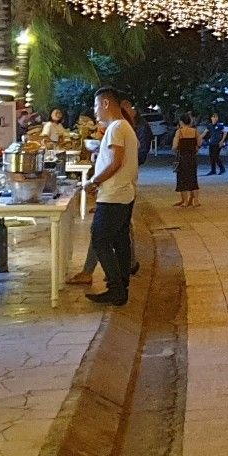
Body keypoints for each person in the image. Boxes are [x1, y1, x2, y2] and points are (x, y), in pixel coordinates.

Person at [82, 87, 140, 306]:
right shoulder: (124, 127)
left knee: (100, 239)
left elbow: (115, 161)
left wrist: (94, 181)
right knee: (119, 239)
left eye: (96, 105)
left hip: (114, 194)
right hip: (123, 192)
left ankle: (116, 288)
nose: (95, 110)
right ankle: (121, 285)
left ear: (106, 104)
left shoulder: (116, 128)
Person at [172, 112, 201, 208]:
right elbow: (199, 143)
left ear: (181, 122)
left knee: (182, 179)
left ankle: (184, 201)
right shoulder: (195, 131)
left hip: (182, 158)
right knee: (193, 177)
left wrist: (175, 150)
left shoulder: (179, 132)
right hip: (192, 157)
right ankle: (195, 201)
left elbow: (175, 146)